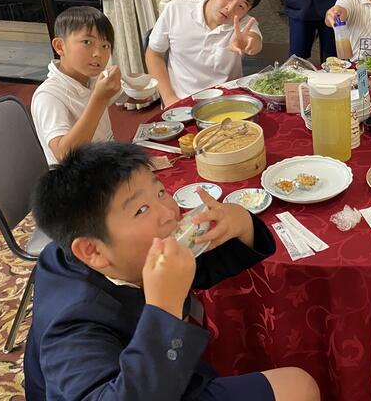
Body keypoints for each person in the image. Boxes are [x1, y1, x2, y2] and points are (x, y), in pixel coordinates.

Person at [24, 142, 320, 401]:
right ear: (92, 251)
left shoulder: (115, 254)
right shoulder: (72, 326)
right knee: (299, 386)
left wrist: (241, 224)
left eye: (161, 192)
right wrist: (164, 309)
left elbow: (194, 267)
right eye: (141, 210)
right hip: (144, 388)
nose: (169, 212)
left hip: (158, 372)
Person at [31, 6, 146, 165]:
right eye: (87, 42)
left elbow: (132, 97)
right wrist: (99, 99)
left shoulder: (92, 78)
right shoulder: (49, 95)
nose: (98, 53)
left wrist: (140, 87)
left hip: (107, 162)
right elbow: (64, 155)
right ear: (60, 46)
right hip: (79, 176)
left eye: (105, 46)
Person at [146, 0, 265, 107]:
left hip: (227, 103)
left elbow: (254, 40)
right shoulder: (175, 10)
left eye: (241, 6)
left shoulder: (243, 23)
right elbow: (154, 54)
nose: (230, 8)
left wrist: (248, 44)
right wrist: (169, 98)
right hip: (181, 103)